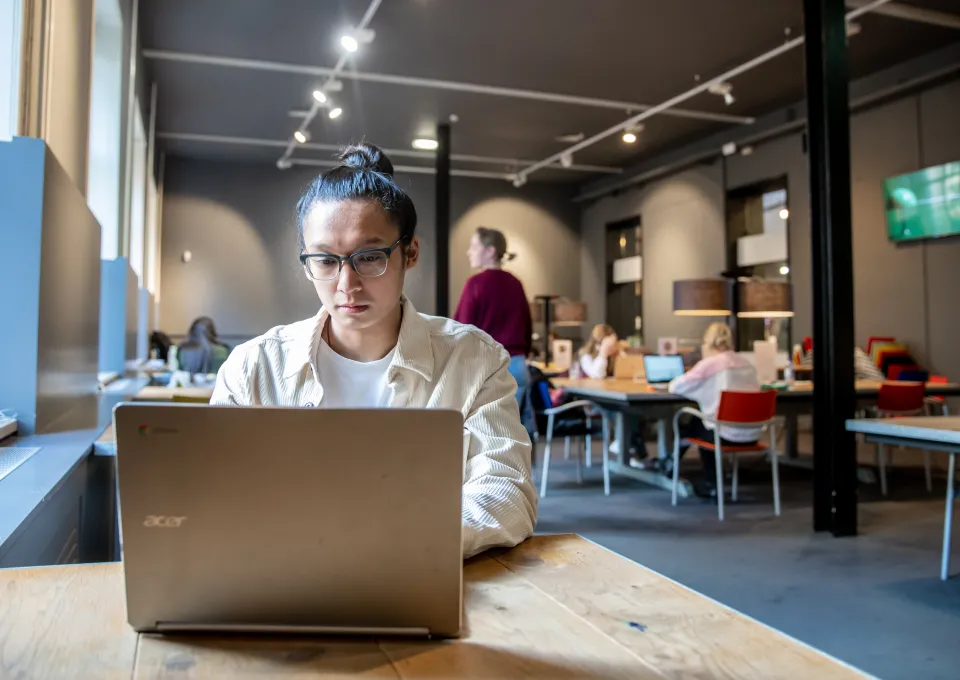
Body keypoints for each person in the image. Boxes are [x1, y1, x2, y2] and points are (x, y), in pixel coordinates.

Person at [211, 144, 537, 558]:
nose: (347, 284)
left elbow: (508, 492)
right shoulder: (255, 368)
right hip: (286, 582)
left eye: (368, 257)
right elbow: (219, 495)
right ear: (306, 263)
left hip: (419, 574)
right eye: (326, 261)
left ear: (410, 253)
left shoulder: (473, 361)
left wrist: (401, 541)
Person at [667, 322, 761, 498]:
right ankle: (673, 466)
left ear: (708, 343)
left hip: (725, 435)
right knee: (701, 422)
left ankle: (706, 481)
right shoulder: (747, 363)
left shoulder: (709, 364)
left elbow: (676, 386)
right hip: (753, 433)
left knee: (689, 424)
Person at [454, 227, 532, 413]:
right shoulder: (516, 283)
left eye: (474, 246)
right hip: (517, 366)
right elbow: (527, 325)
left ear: (490, 251)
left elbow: (462, 328)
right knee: (511, 434)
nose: (469, 252)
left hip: (487, 368)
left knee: (487, 435)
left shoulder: (475, 284)